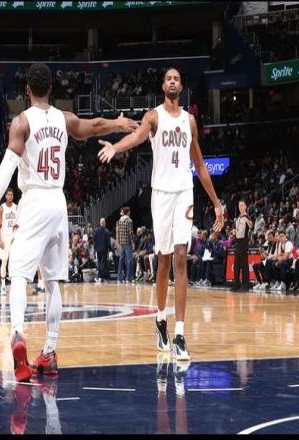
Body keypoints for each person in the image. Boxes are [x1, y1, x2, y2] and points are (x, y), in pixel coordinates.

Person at [0, 62, 137, 381]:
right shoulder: (65, 119)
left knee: (18, 275)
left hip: (34, 199)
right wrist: (119, 123)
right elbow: (96, 125)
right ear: (51, 89)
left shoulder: (21, 121)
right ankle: (49, 352)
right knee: (52, 282)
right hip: (58, 202)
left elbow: (7, 167)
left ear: (27, 90)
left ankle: (18, 334)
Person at [98, 67, 224, 361]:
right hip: (161, 195)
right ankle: (160, 319)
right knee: (164, 260)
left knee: (180, 256)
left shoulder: (189, 121)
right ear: (163, 85)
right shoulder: (153, 116)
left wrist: (216, 203)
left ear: (181, 86)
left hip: (184, 193)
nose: (172, 82)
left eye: (177, 78)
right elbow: (137, 137)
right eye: (168, 78)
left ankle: (179, 334)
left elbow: (200, 166)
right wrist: (115, 147)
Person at [0, 188, 18, 296]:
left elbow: (19, 223)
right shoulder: (1, 208)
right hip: (4, 236)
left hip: (14, 237)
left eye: (11, 195)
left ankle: (14, 285)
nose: (10, 196)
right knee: (4, 261)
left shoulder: (16, 207)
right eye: (8, 194)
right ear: (5, 196)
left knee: (14, 261)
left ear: (13, 196)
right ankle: (3, 285)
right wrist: (0, 239)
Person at [231, 199, 252, 292]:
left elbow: (251, 226)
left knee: (244, 264)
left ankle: (245, 285)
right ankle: (236, 284)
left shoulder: (247, 217)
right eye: (239, 205)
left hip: (244, 242)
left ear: (245, 206)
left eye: (242, 205)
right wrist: (234, 231)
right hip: (238, 242)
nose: (240, 207)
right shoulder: (238, 218)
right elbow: (236, 230)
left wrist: (247, 220)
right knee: (236, 264)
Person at [116, 207, 134, 283]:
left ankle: (119, 278)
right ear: (128, 212)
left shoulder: (119, 221)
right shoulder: (129, 221)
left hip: (122, 243)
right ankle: (128, 278)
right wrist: (133, 242)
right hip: (128, 243)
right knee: (129, 260)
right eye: (129, 211)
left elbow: (118, 232)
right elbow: (130, 232)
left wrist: (118, 242)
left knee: (121, 260)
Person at [93, 217, 110, 282]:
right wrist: (108, 250)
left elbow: (94, 239)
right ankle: (102, 276)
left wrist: (95, 248)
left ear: (100, 223)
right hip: (104, 249)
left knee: (99, 262)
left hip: (98, 249)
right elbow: (108, 242)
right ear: (104, 223)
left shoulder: (96, 230)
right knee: (103, 262)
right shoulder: (107, 231)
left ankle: (99, 276)